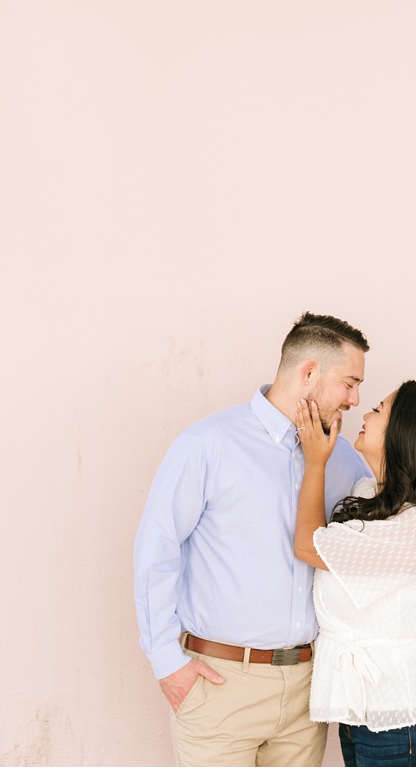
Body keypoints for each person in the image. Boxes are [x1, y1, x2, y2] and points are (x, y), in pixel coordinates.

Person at [135, 312, 373, 766]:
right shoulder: (207, 444)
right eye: (349, 383)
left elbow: (372, 552)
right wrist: (167, 663)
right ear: (309, 373)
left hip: (309, 690)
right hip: (220, 685)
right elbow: (157, 550)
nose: (355, 399)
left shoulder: (343, 459)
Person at [292, 379, 416, 767]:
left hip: (408, 717)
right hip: (372, 711)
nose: (365, 413)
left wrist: (315, 462)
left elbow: (308, 546)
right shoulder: (373, 497)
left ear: (402, 435)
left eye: (378, 409)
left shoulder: (413, 525)